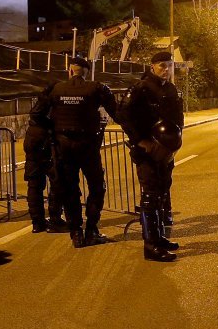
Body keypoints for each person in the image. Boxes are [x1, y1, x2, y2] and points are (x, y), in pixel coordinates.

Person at [119, 52, 184, 262]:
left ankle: (160, 237)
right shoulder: (141, 88)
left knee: (162, 194)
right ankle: (151, 246)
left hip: (165, 151)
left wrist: (174, 143)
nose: (166, 69)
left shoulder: (170, 88)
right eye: (162, 66)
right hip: (147, 152)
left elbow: (177, 118)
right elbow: (124, 116)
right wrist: (140, 141)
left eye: (169, 66)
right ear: (152, 66)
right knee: (150, 196)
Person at [47, 56, 118, 248]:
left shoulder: (56, 89)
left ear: (70, 71)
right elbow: (117, 112)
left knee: (70, 190)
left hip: (63, 147)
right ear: (86, 72)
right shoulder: (96, 88)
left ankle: (76, 233)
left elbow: (39, 115)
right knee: (96, 187)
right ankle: (91, 230)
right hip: (88, 146)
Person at [24, 82, 67, 234]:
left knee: (35, 185)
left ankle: (38, 222)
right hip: (45, 143)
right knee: (57, 181)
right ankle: (54, 219)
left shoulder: (41, 103)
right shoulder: (50, 103)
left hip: (34, 141)